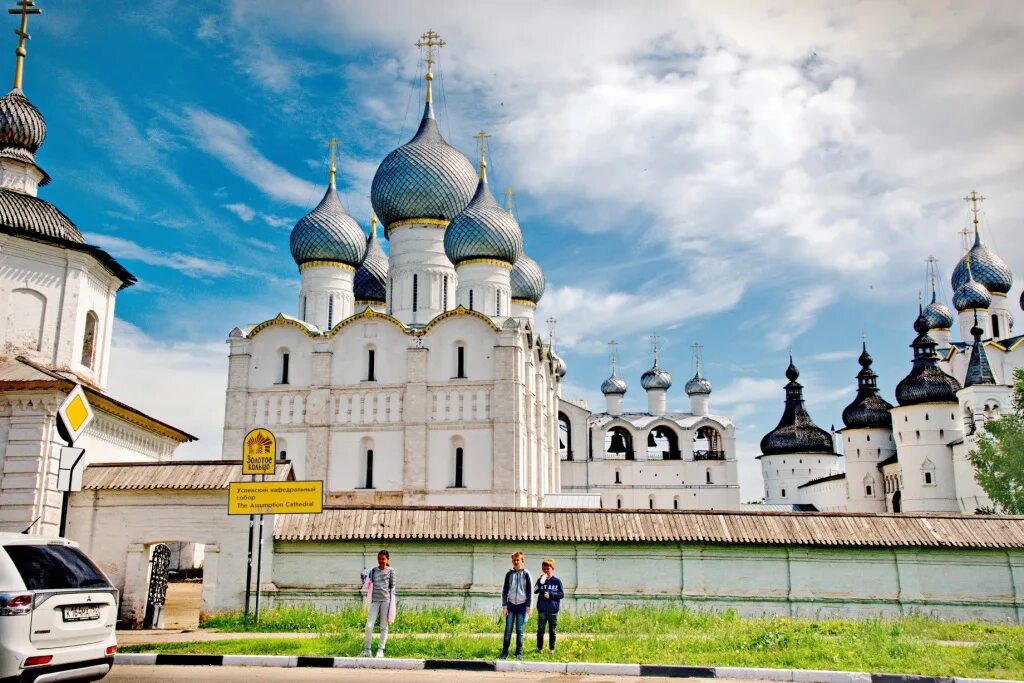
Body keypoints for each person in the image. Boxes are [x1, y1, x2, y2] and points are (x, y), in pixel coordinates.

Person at [360, 550, 395, 658]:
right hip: (375, 601)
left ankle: (380, 650)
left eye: (383, 559)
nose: (381, 561)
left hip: (386, 601)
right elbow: (367, 583)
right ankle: (367, 650)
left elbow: (392, 587)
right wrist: (363, 577)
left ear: (387, 559)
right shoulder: (373, 571)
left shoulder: (391, 571)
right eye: (379, 558)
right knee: (369, 625)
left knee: (383, 627)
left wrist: (391, 604)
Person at [499, 551, 532, 660]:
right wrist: (504, 606)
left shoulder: (526, 574)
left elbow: (530, 592)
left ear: (522, 561)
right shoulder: (509, 574)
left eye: (518, 560)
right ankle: (505, 652)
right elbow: (504, 591)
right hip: (510, 605)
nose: (516, 562)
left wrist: (529, 607)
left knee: (520, 630)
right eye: (514, 560)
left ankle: (519, 653)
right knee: (508, 629)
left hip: (522, 605)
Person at [534, 558, 564, 654]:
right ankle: (539, 649)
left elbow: (561, 594)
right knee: (540, 630)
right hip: (542, 610)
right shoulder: (541, 580)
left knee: (552, 631)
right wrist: (540, 582)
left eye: (548, 568)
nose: (546, 570)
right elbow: (534, 591)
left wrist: (551, 595)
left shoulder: (557, 581)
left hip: (553, 610)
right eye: (544, 569)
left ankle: (551, 649)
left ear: (552, 569)